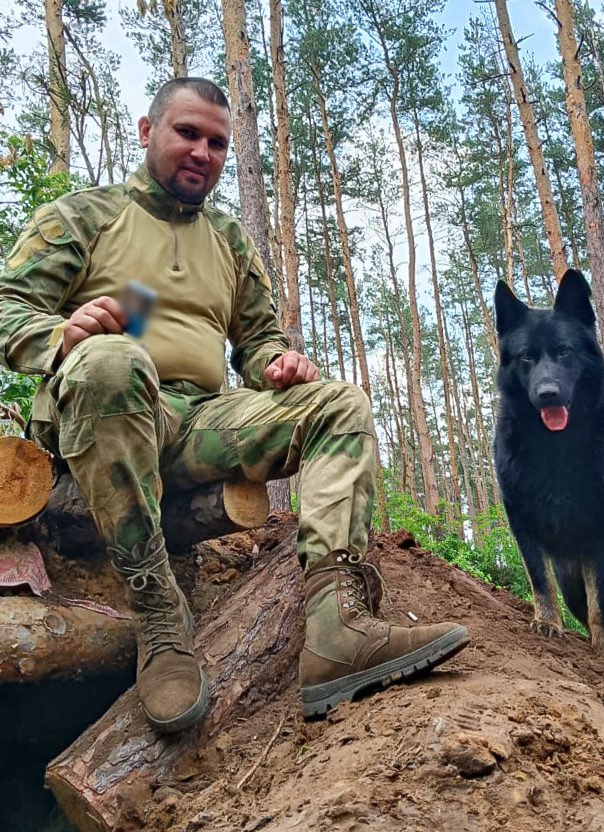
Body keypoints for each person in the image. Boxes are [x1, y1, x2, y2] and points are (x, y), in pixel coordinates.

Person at [0, 77, 470, 733]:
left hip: (194, 420)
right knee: (115, 359)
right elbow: (7, 305)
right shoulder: (84, 215)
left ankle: (338, 627)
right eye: (187, 133)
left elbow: (256, 340)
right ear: (147, 132)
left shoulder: (228, 240)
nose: (202, 152)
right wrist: (58, 335)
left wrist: (279, 364)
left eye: (217, 143)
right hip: (99, 414)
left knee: (338, 403)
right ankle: (159, 613)